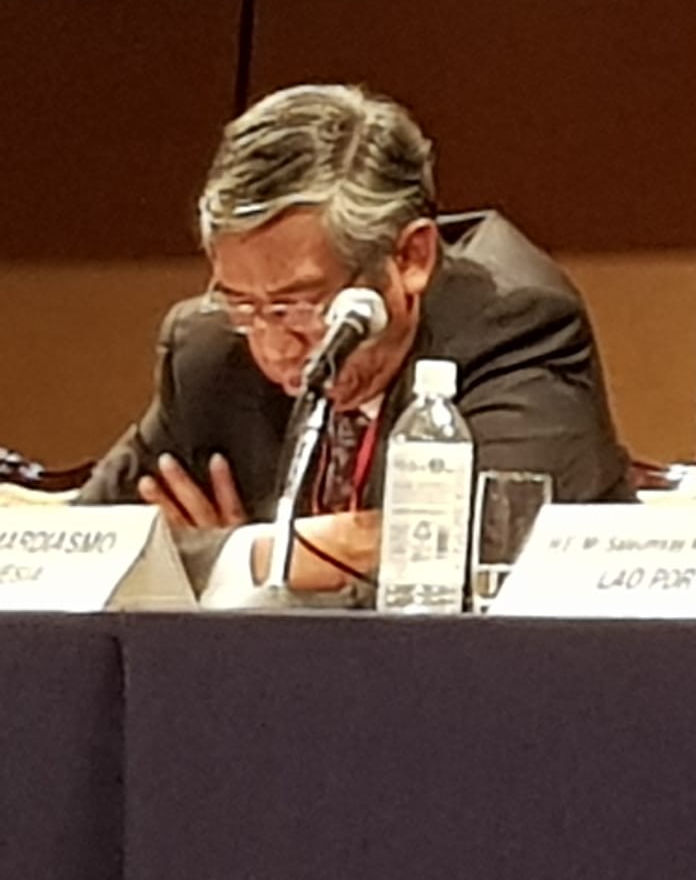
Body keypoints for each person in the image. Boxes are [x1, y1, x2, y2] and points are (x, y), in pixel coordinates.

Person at [83, 83, 631, 597]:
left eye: (300, 305)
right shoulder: (211, 352)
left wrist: (219, 568)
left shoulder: (514, 327)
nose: (274, 347)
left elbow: (468, 556)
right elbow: (78, 550)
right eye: (243, 304)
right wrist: (259, 557)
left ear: (410, 258)